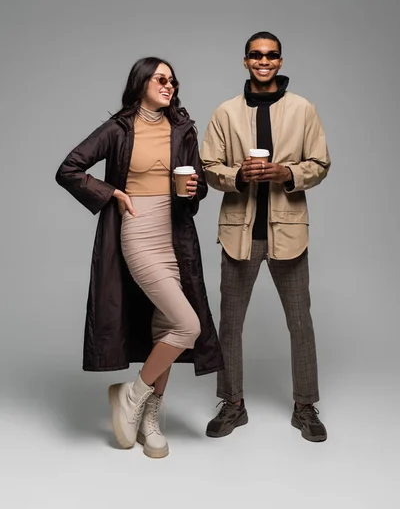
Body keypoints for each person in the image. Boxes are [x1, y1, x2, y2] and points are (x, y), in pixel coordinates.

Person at [56, 57, 223, 458]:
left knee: (169, 324)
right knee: (188, 325)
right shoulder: (119, 128)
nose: (169, 85)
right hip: (139, 231)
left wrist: (194, 188)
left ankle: (150, 417)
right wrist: (112, 193)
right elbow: (70, 168)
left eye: (173, 80)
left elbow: (196, 187)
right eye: (161, 79)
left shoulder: (182, 127)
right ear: (142, 82)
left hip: (176, 234)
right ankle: (132, 396)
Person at [200, 31, 331, 442]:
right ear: (245, 61)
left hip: (288, 233)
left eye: (271, 55)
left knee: (300, 322)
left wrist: (288, 173)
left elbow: (321, 162)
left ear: (279, 61)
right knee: (229, 324)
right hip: (239, 233)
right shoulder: (225, 112)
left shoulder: (303, 109)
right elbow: (208, 166)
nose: (264, 61)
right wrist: (237, 174)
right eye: (256, 55)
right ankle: (232, 404)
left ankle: (305, 405)